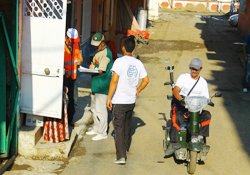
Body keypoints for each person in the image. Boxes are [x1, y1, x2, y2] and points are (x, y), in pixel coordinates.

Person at [106, 36, 149, 165]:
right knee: (127, 125)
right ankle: (125, 148)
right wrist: (138, 90)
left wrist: (109, 97)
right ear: (133, 48)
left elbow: (114, 80)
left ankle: (121, 156)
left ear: (123, 48)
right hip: (131, 100)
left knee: (118, 127)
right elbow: (146, 80)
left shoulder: (119, 61)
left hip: (119, 100)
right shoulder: (138, 63)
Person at [165, 58, 211, 156]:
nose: (194, 71)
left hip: (196, 110)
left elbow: (205, 99)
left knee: (207, 115)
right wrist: (181, 100)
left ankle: (201, 138)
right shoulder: (183, 77)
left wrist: (192, 111)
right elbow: (176, 90)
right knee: (176, 116)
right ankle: (174, 142)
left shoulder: (203, 82)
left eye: (196, 69)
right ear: (190, 68)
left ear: (201, 69)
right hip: (182, 107)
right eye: (192, 68)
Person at [86, 33, 113, 141]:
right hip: (95, 84)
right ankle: (96, 129)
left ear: (103, 43)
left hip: (102, 86)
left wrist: (91, 68)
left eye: (97, 45)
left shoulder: (106, 54)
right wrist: (91, 66)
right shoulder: (98, 51)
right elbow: (94, 64)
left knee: (101, 110)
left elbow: (101, 70)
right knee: (94, 109)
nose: (95, 47)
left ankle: (102, 132)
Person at [64, 28, 83, 127]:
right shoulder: (62, 46)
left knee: (74, 100)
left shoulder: (76, 44)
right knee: (61, 100)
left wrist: (80, 61)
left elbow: (80, 57)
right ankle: (61, 121)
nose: (73, 42)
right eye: (72, 40)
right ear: (67, 37)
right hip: (63, 78)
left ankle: (69, 120)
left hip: (73, 77)